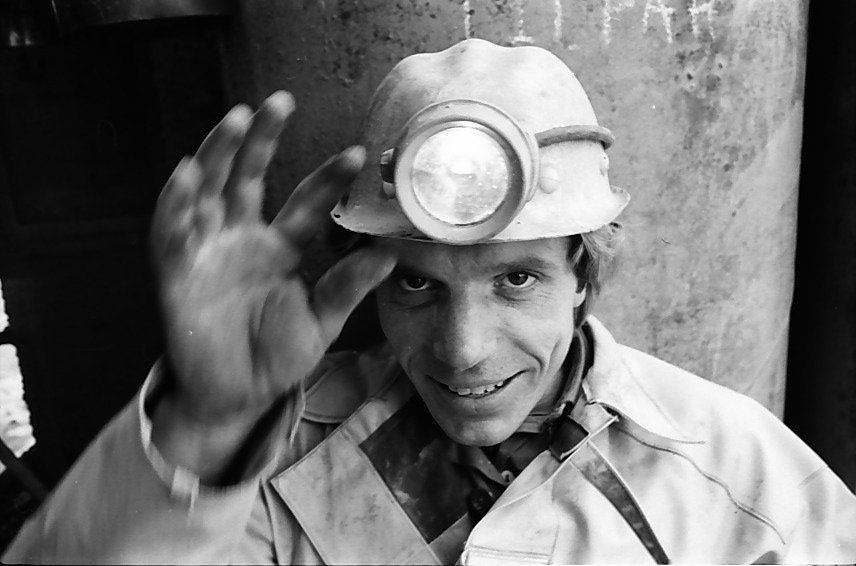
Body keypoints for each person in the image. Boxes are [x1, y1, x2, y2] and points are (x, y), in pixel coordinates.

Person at [4, 38, 855, 565]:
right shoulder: (262, 457)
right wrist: (204, 424)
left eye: (516, 279)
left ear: (584, 277)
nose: (462, 348)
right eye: (415, 282)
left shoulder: (740, 479)